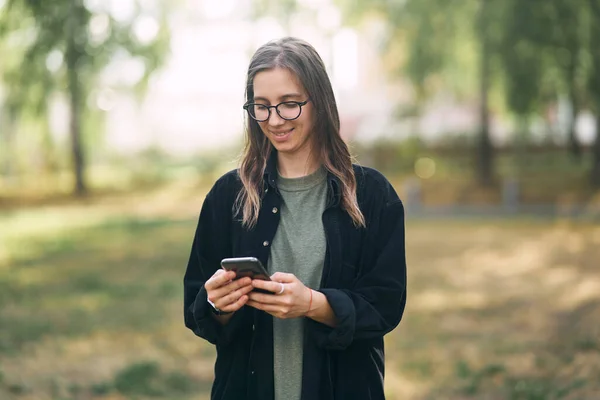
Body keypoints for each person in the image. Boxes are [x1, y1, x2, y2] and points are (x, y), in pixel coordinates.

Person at [183, 37, 407, 400]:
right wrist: (216, 304)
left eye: (289, 105)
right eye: (261, 107)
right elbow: (198, 309)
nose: (273, 121)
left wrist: (313, 305)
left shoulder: (372, 196)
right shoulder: (228, 196)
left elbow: (385, 306)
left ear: (319, 102)